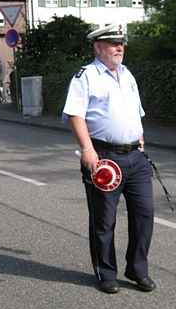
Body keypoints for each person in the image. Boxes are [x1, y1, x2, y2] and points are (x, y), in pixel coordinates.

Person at [62, 24, 155, 294]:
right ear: (98, 47)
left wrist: (140, 137)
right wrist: (87, 150)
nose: (119, 47)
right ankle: (106, 272)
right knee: (104, 220)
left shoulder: (127, 75)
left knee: (144, 214)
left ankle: (137, 269)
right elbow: (75, 115)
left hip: (135, 157)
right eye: (113, 43)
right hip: (104, 156)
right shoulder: (86, 76)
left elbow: (135, 112)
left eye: (121, 43)